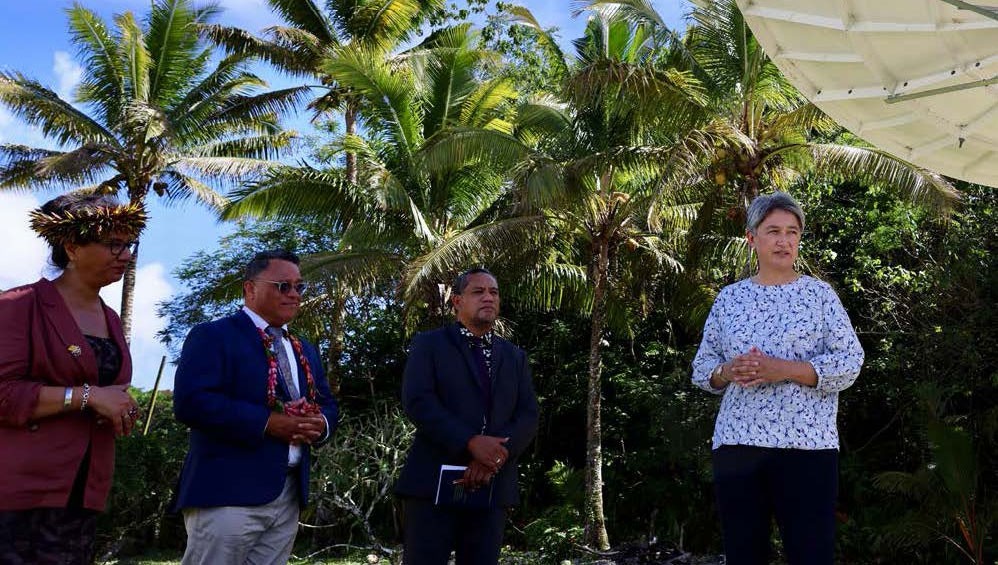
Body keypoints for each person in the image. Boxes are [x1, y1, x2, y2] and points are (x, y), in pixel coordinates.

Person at [691, 192, 865, 565]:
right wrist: (726, 372)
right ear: (752, 238)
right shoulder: (729, 299)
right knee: (744, 554)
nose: (784, 240)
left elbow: (850, 362)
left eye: (792, 231)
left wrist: (782, 369)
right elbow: (702, 368)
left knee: (810, 554)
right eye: (773, 231)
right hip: (738, 445)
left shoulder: (820, 295)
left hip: (808, 447)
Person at [0, 193, 144, 564]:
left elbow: (103, 389)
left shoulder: (111, 318)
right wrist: (86, 396)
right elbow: (3, 393)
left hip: (82, 493)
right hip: (18, 494)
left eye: (129, 244)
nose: (125, 254)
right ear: (72, 247)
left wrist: (119, 406)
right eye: (114, 244)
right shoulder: (19, 306)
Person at [172, 250, 339, 565]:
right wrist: (269, 422)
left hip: (288, 494)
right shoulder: (214, 336)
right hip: (227, 493)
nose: (293, 294)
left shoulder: (305, 349)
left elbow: (328, 403)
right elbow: (191, 402)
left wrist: (319, 423)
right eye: (283, 286)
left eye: (299, 287)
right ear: (250, 288)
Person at [395, 268, 539, 565]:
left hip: (492, 487)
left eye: (494, 292)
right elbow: (418, 401)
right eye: (478, 291)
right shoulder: (429, 344)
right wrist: (470, 443)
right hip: (432, 483)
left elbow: (528, 415)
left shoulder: (515, 356)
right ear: (457, 301)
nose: (488, 297)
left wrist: (495, 457)